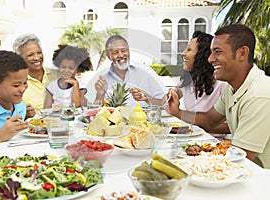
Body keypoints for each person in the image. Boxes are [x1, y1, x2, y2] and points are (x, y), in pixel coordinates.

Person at [166, 24, 270, 169]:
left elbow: (238, 157)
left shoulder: (259, 95)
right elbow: (209, 121)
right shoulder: (231, 87)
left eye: (217, 52)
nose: (210, 59)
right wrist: (177, 112)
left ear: (242, 53)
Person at [176, 31, 228, 137]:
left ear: (202, 55)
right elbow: (167, 101)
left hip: (214, 143)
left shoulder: (222, 84)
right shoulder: (187, 80)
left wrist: (197, 126)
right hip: (189, 138)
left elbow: (230, 127)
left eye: (189, 49)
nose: (183, 53)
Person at [95, 34, 166, 107]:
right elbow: (97, 112)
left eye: (123, 50)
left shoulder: (146, 72)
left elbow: (166, 102)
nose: (121, 55)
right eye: (115, 52)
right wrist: (100, 95)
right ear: (109, 56)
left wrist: (147, 98)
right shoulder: (104, 80)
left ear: (129, 51)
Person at [13, 33, 59, 110]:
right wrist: (25, 114)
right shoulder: (16, 83)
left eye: (39, 52)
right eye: (30, 55)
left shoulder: (57, 75)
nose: (37, 58)